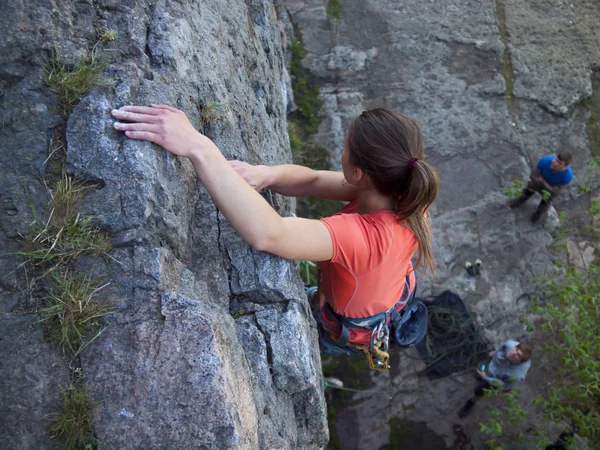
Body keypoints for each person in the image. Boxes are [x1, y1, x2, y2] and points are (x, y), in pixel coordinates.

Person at [111, 105, 439, 366]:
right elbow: (311, 181)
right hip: (386, 294)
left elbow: (269, 234)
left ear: (359, 173)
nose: (342, 154)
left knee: (324, 328)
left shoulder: (363, 238)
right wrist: (264, 175)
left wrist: (198, 147)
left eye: (345, 148)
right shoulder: (404, 195)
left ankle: (325, 336)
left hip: (351, 325)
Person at [458, 340, 532, 418]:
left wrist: (485, 377)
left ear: (520, 362)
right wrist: (494, 352)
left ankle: (471, 402)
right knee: (482, 367)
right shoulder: (510, 344)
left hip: (497, 378)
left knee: (479, 390)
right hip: (492, 365)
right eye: (516, 349)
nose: (513, 353)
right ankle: (481, 375)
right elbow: (502, 347)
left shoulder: (517, 376)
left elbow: (502, 385)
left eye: (518, 355)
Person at [509, 152, 573, 223]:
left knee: (546, 201)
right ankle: (520, 200)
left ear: (566, 166)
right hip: (541, 184)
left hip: (546, 186)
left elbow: (556, 192)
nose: (555, 163)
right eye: (556, 160)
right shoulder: (545, 161)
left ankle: (537, 214)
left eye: (559, 163)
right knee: (530, 188)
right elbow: (532, 175)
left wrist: (543, 181)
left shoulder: (568, 176)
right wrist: (547, 186)